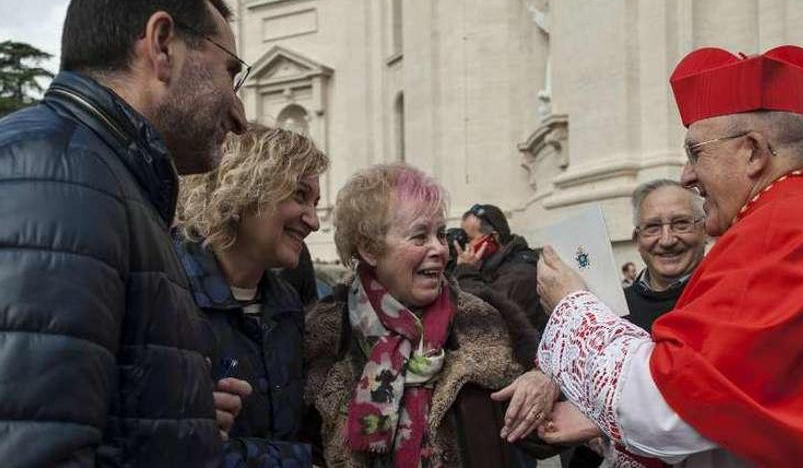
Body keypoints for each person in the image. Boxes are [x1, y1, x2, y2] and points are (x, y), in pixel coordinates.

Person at [509, 45, 803, 467]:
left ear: (754, 152)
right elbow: (745, 405)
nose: (687, 175)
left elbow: (670, 408)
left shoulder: (782, 227)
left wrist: (573, 306)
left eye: (695, 153)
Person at [0, 0, 252, 465]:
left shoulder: (100, 176)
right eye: (230, 72)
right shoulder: (61, 181)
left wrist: (178, 415)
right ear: (162, 46)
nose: (240, 115)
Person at [304, 164, 553, 467]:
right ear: (369, 249)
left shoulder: (488, 319)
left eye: (441, 234)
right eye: (420, 237)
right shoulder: (325, 333)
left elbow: (543, 435)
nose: (440, 249)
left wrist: (545, 382)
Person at [175, 124, 328, 466]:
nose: (314, 221)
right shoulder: (167, 292)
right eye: (300, 196)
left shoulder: (287, 305)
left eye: (315, 203)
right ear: (245, 188)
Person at [624, 179, 707, 332]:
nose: (667, 240)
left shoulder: (727, 295)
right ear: (637, 240)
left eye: (681, 224)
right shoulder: (616, 311)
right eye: (653, 227)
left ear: (705, 231)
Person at [454, 203, 547, 331]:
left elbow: (485, 315)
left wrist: (465, 270)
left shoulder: (522, 273)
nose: (465, 246)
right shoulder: (487, 265)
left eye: (469, 239)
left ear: (493, 238)